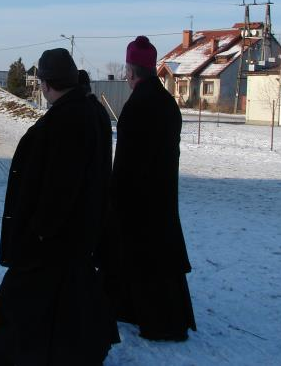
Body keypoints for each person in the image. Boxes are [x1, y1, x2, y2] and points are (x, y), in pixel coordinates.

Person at [0, 48, 119, 366]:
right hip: (77, 231)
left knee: (17, 296)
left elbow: (61, 186)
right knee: (70, 294)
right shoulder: (89, 112)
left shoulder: (66, 121)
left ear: (46, 84)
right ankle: (88, 349)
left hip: (53, 235)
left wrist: (39, 231)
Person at [101, 35, 196, 342]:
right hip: (163, 195)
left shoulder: (136, 106)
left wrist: (114, 196)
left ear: (131, 71)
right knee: (159, 261)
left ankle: (158, 322)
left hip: (137, 199)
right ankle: (143, 312)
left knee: (140, 260)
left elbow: (126, 162)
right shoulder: (167, 103)